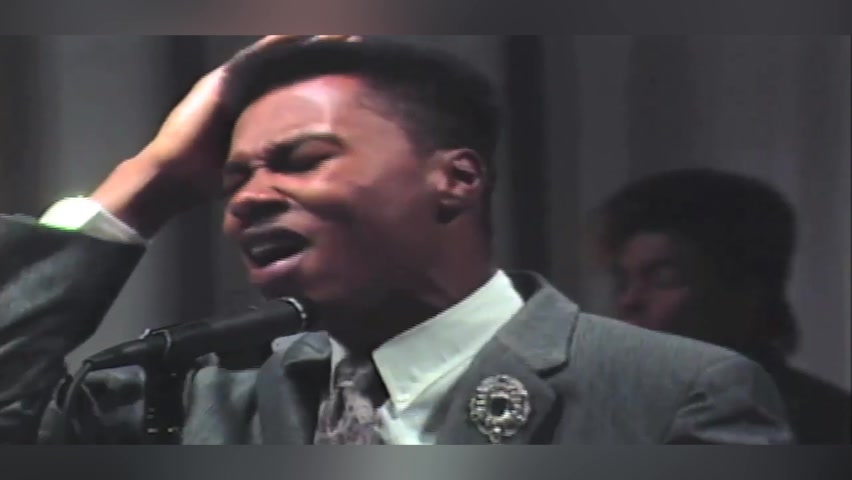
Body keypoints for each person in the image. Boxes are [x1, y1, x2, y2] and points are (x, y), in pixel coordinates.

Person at [0, 35, 793, 445]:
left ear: (457, 178)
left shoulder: (671, 391)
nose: (248, 199)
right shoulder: (186, 397)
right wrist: (148, 184)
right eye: (233, 178)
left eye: (301, 160)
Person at [593, 168, 851, 444]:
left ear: (746, 292)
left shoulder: (829, 427)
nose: (629, 301)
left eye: (664, 278)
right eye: (623, 282)